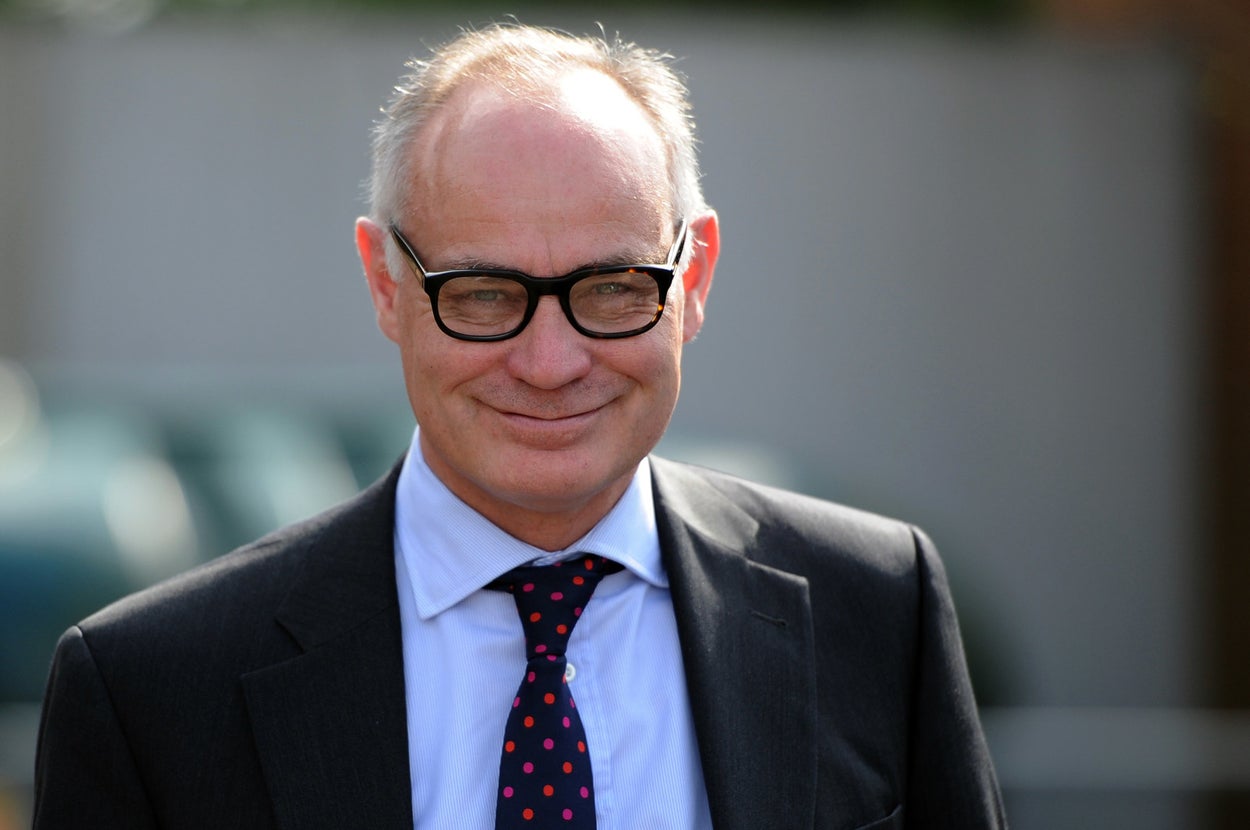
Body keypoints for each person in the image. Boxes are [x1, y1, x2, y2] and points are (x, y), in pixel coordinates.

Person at [32, 22, 1006, 830]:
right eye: (485, 294)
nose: (550, 363)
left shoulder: (878, 611)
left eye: (613, 287)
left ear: (695, 276)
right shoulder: (150, 691)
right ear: (386, 283)